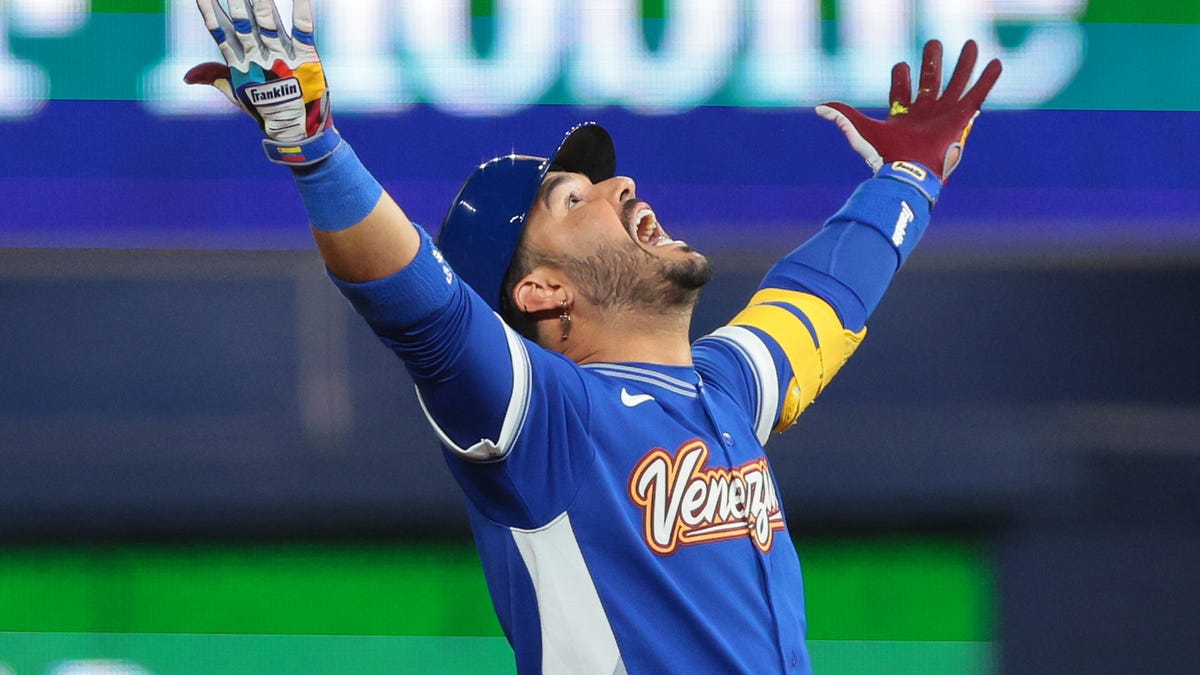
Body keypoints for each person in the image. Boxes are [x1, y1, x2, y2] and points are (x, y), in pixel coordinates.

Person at [185, 1, 1001, 672]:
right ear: (540, 290)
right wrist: (315, 149)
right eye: (575, 201)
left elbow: (822, 295)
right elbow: (420, 308)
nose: (621, 185)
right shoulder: (545, 419)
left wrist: (909, 178)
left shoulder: (724, 388)